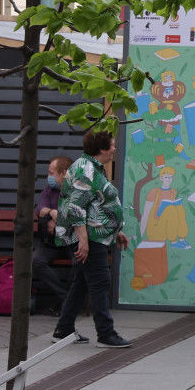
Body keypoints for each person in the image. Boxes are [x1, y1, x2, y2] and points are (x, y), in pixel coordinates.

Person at [53, 128, 131, 349]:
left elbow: (97, 204)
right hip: (91, 237)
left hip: (97, 234)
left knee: (81, 283)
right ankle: (106, 334)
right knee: (99, 281)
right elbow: (76, 207)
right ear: (102, 149)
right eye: (113, 145)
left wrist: (116, 231)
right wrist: (84, 240)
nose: (115, 149)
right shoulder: (86, 170)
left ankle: (63, 329)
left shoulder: (92, 167)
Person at [32, 154, 73, 315]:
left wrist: (57, 219)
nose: (48, 177)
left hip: (72, 241)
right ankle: (66, 298)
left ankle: (67, 301)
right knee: (36, 261)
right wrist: (52, 212)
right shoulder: (50, 190)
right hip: (52, 242)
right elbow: (39, 210)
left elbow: (75, 217)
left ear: (63, 173)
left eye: (51, 173)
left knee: (81, 262)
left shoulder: (76, 190)